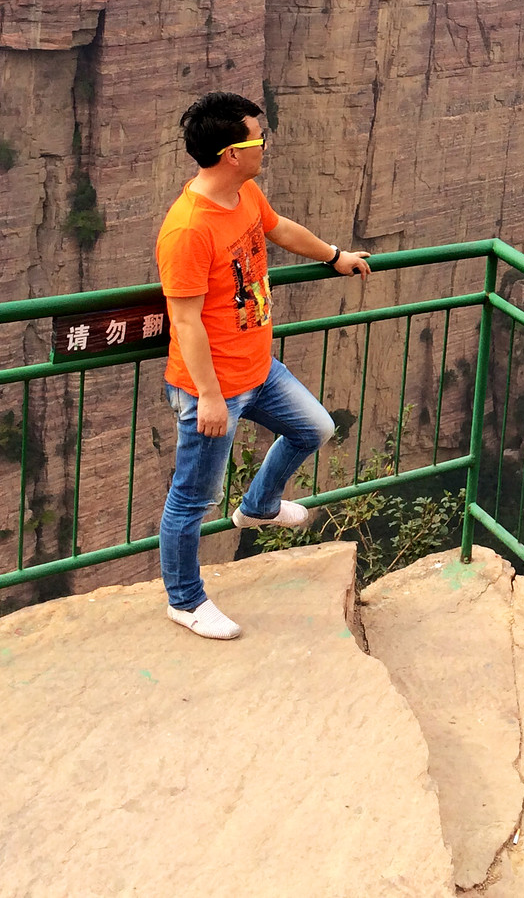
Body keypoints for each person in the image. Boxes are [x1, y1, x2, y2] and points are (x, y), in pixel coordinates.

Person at [154, 92, 368, 638]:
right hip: (215, 386)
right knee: (193, 498)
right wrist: (207, 395)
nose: (264, 146)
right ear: (231, 153)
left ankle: (259, 506)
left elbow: (279, 228)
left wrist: (333, 256)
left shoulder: (244, 194)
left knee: (314, 427)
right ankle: (185, 600)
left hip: (258, 367)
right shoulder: (187, 229)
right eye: (258, 138)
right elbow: (186, 321)